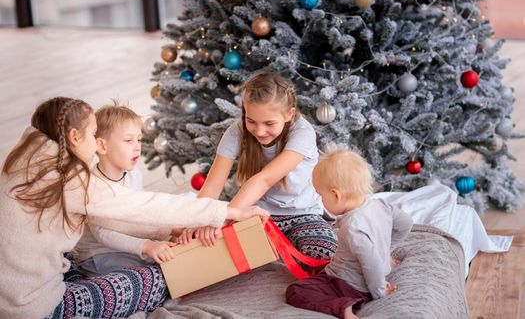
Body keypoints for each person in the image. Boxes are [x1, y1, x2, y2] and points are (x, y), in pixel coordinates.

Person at [0, 97, 268, 319]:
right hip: (29, 308)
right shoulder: (73, 182)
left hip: (10, 291)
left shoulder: (24, 161)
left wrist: (170, 230)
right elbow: (143, 207)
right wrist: (230, 212)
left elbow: (130, 211)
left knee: (73, 260)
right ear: (73, 136)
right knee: (166, 278)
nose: (97, 144)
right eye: (93, 135)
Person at [178, 72, 337, 260]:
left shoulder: (302, 132)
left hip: (303, 213)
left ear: (289, 114)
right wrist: (200, 220)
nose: (260, 131)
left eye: (269, 123)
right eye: (251, 121)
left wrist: (222, 218)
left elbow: (264, 180)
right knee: (204, 244)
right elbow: (213, 185)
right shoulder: (236, 131)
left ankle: (277, 250)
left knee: (323, 251)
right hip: (255, 215)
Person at [286, 146, 413, 319]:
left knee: (296, 291)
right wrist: (387, 252)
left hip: (349, 286)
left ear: (336, 195)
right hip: (359, 278)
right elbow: (406, 224)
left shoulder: (352, 229)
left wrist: (379, 291)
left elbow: (372, 263)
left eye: (320, 196)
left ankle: (342, 308)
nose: (320, 200)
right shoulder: (380, 205)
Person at [72, 103, 177, 277]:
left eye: (139, 139)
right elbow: (105, 234)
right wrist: (147, 246)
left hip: (131, 244)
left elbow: (140, 212)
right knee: (148, 274)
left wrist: (168, 231)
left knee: (169, 257)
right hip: (101, 255)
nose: (137, 147)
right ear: (102, 146)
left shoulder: (134, 174)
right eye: (129, 140)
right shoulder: (94, 186)